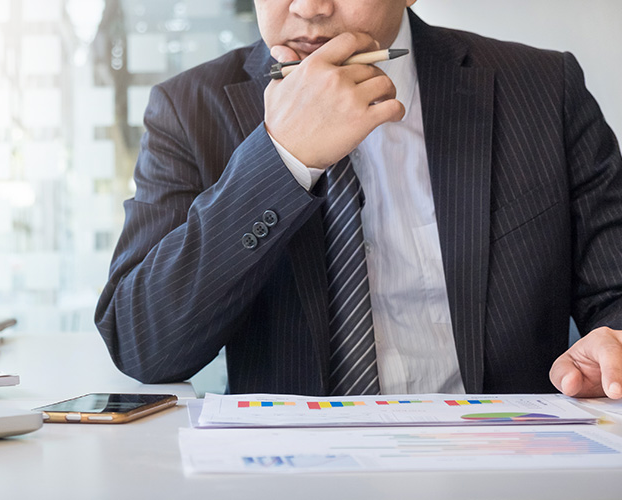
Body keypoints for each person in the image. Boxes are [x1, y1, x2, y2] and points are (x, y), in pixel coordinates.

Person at [94, 0, 622, 398]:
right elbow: (143, 343)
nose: (308, 8)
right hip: (289, 477)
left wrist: (612, 347)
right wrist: (282, 158)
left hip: (503, 465)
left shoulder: (544, 90)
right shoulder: (189, 108)